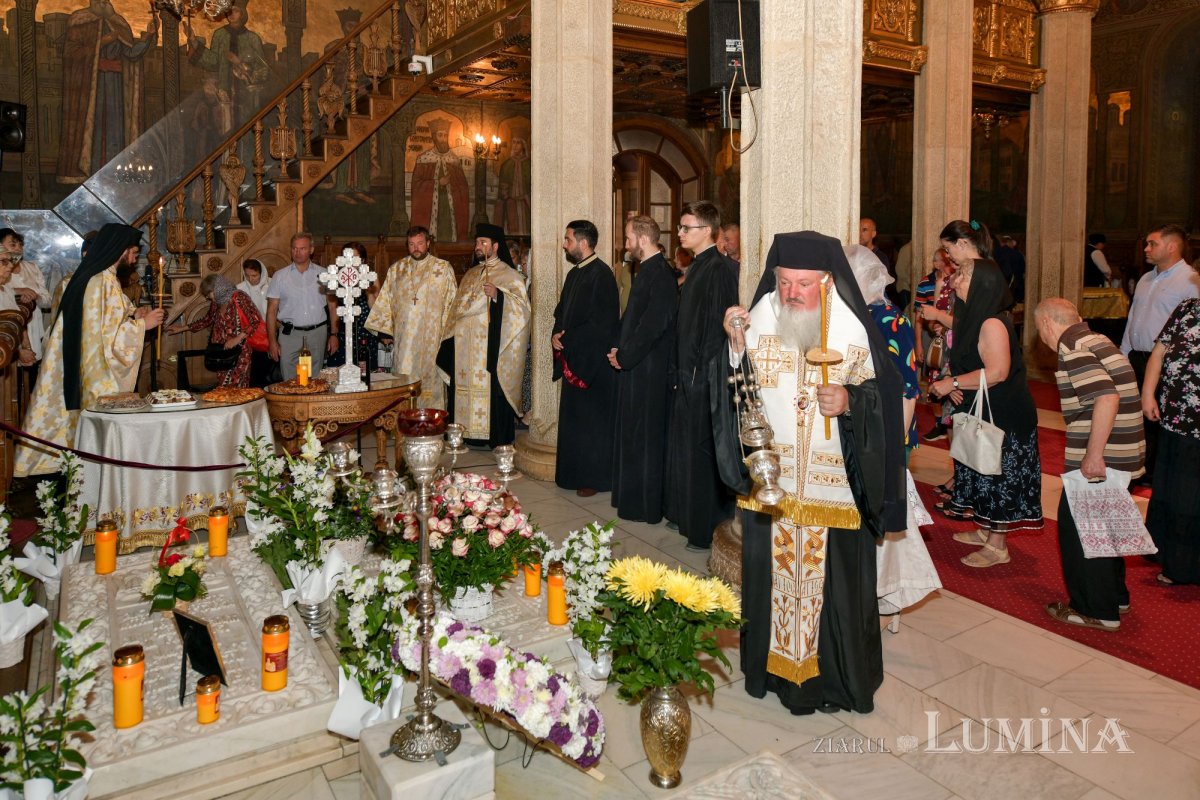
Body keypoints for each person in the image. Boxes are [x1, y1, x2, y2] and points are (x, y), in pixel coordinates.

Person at [717, 230, 906, 716]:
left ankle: (836, 683)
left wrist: (849, 401)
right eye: (784, 283)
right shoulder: (760, 319)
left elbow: (882, 400)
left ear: (825, 282)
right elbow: (736, 387)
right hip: (773, 481)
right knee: (773, 581)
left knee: (834, 588)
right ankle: (775, 677)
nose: (792, 294)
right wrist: (735, 346)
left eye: (803, 284)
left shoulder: (849, 329)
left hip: (833, 484)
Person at [929, 220, 1043, 568]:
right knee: (979, 468)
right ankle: (984, 529)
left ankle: (998, 545)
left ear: (981, 285)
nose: (954, 280)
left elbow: (998, 372)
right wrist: (959, 383)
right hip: (983, 405)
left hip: (1004, 413)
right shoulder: (972, 316)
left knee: (998, 474)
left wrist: (952, 384)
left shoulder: (992, 322)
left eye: (962, 277)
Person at [15, 224, 164, 476]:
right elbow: (103, 338)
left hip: (81, 365)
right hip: (96, 373)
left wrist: (134, 315)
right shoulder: (101, 280)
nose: (135, 258)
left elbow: (106, 319)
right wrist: (142, 326)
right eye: (133, 252)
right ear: (121, 249)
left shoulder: (99, 277)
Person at [1035, 298, 1144, 629]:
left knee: (1081, 531)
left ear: (1047, 325)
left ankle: (1096, 610)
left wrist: (1094, 454)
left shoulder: (1072, 346)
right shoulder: (1097, 339)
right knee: (1106, 527)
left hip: (1105, 454)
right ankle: (1116, 597)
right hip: (1125, 449)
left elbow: (1106, 396)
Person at [664, 201, 739, 550]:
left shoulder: (720, 270)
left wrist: (700, 375)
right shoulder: (697, 267)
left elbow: (716, 331)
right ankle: (686, 516)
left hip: (704, 377)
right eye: (680, 227)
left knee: (704, 452)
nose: (679, 233)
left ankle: (707, 525)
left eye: (686, 227)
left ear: (706, 231)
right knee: (686, 450)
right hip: (687, 373)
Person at [609, 215, 677, 523]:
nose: (626, 245)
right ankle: (630, 498)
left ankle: (644, 505)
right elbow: (633, 318)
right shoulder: (645, 270)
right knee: (633, 434)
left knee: (645, 437)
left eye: (628, 239)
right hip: (635, 363)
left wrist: (626, 356)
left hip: (648, 369)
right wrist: (618, 349)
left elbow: (653, 326)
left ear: (643, 240)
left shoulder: (660, 274)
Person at [1120, 224, 1199, 483]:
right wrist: (1124, 353)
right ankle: (1138, 465)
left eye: (1152, 243)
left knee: (1159, 416)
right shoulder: (1146, 278)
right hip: (1138, 358)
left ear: (1172, 246)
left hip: (1167, 363)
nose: (1146, 248)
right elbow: (1133, 318)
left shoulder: (1189, 280)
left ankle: (1156, 472)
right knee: (1134, 414)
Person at [442, 223, 530, 447]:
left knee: (490, 388)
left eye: (483, 243)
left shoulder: (508, 275)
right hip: (464, 350)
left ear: (495, 246)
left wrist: (499, 296)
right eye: (477, 242)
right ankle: (465, 433)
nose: (478, 246)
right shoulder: (471, 275)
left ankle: (494, 436)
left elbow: (522, 310)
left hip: (490, 348)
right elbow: (457, 310)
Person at [1140, 269, 1200, 586]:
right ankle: (1163, 550)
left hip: (1197, 427)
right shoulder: (1187, 308)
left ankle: (1185, 565)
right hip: (1174, 417)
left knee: (1190, 494)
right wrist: (1148, 393)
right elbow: (1159, 353)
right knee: (1169, 486)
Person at [552, 220, 619, 496]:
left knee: (592, 423)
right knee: (574, 422)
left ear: (583, 242)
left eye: (568, 239)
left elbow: (602, 324)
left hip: (591, 364)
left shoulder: (601, 275)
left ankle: (593, 478)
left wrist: (567, 339)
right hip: (573, 357)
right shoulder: (575, 273)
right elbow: (561, 310)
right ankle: (572, 474)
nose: (565, 245)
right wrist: (556, 334)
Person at [56, 0, 157, 183]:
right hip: (91, 89)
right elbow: (71, 53)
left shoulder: (118, 23)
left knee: (115, 129)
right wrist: (101, 43)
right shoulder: (79, 21)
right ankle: (92, 172)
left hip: (115, 87)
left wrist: (148, 37)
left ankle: (115, 174)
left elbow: (131, 54)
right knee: (94, 129)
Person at [365, 226, 457, 408]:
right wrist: (385, 333)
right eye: (411, 244)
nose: (416, 248)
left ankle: (432, 425)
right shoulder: (396, 270)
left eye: (420, 243)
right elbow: (385, 301)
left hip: (433, 341)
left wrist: (450, 337)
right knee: (403, 382)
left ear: (428, 243)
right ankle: (402, 428)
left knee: (431, 382)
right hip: (404, 341)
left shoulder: (443, 269)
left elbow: (452, 305)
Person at [844, 244, 920, 453]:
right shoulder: (853, 315)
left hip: (890, 426)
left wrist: (895, 443)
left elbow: (907, 387)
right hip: (861, 421)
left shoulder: (892, 320)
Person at [167, 275, 265, 388]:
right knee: (224, 386)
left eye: (209, 293)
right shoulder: (217, 301)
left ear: (218, 288)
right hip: (221, 351)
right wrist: (182, 328)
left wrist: (236, 339)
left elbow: (255, 320)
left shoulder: (239, 296)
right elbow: (208, 319)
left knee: (236, 387)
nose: (208, 297)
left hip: (240, 350)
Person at [266, 233, 336, 380]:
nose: (297, 252)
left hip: (318, 332)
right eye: (294, 249)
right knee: (290, 380)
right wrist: (272, 341)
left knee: (315, 379)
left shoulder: (323, 274)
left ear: (311, 249)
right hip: (289, 335)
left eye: (302, 248)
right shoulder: (280, 276)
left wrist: (334, 335)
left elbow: (332, 306)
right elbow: (271, 311)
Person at [915, 248, 957, 442]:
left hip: (960, 349)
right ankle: (942, 426)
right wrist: (937, 326)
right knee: (938, 389)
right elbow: (931, 316)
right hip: (944, 348)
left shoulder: (964, 283)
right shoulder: (937, 283)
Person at [411, 118, 471, 243]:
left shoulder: (454, 160)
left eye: (445, 135)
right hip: (430, 209)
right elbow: (416, 186)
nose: (443, 138)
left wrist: (455, 188)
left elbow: (463, 187)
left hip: (449, 209)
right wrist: (437, 183)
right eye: (440, 135)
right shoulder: (424, 159)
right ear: (434, 137)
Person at [325, 242, 380, 376]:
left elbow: (377, 310)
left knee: (366, 375)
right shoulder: (335, 278)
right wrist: (334, 335)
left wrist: (367, 291)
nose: (351, 262)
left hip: (366, 335)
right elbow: (333, 308)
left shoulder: (371, 277)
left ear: (363, 260)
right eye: (348, 258)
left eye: (355, 258)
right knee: (340, 376)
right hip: (343, 334)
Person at [1, 229, 50, 364]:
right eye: (13, 244)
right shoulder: (3, 273)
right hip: (9, 338)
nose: (18, 249)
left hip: (32, 329)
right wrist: (18, 291)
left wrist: (35, 297)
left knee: (32, 373)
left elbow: (47, 301)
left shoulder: (32, 268)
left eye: (20, 245)